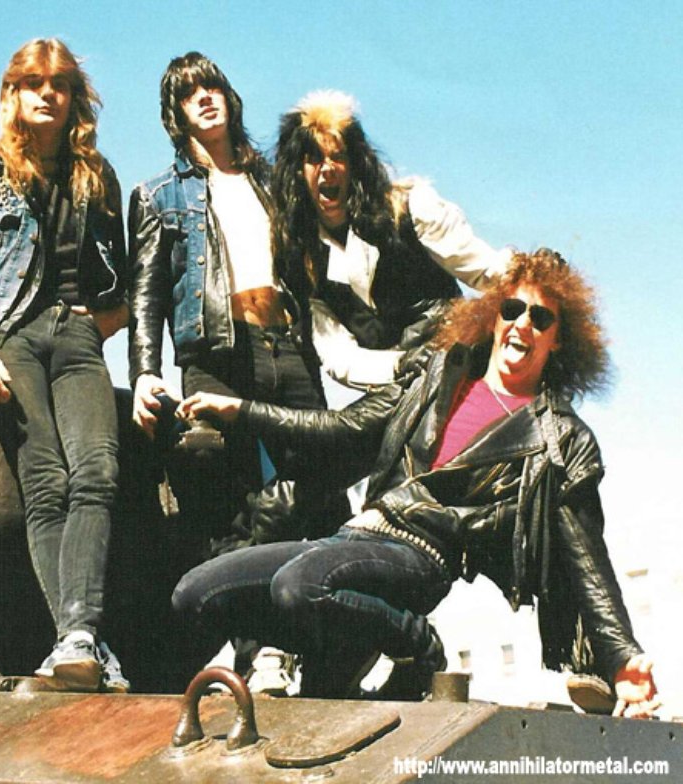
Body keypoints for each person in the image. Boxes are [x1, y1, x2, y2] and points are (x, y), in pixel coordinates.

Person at [172, 250, 659, 717]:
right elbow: (342, 427)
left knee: (299, 586)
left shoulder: (559, 437)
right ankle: (342, 645)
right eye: (512, 309)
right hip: (356, 536)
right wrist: (242, 411)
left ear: (558, 341)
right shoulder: (436, 375)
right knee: (196, 593)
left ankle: (420, 648)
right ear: (494, 317)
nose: (523, 324)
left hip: (422, 554)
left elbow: (585, 555)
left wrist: (621, 660)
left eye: (541, 318)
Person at [0, 38, 129, 692]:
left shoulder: (96, 178)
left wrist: (103, 323)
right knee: (46, 482)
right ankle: (80, 639)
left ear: (74, 98)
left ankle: (80, 638)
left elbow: (123, 276)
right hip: (10, 337)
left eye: (60, 83)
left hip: (77, 337)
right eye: (34, 83)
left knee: (97, 470)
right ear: (11, 94)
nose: (48, 93)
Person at [128, 53, 347, 558]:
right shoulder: (158, 195)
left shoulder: (273, 180)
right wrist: (145, 372)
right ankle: (245, 611)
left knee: (322, 477)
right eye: (189, 94)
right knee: (226, 495)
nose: (204, 98)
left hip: (287, 343)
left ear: (229, 97)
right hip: (216, 353)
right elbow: (147, 291)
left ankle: (335, 599)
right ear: (176, 115)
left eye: (212, 87)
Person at [272, 90, 513, 388]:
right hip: (391, 387)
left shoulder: (410, 208)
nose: (328, 169)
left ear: (355, 164)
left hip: (455, 367)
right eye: (314, 159)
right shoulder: (304, 261)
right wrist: (399, 365)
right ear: (297, 171)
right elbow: (338, 354)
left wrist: (534, 275)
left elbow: (486, 269)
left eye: (338, 156)